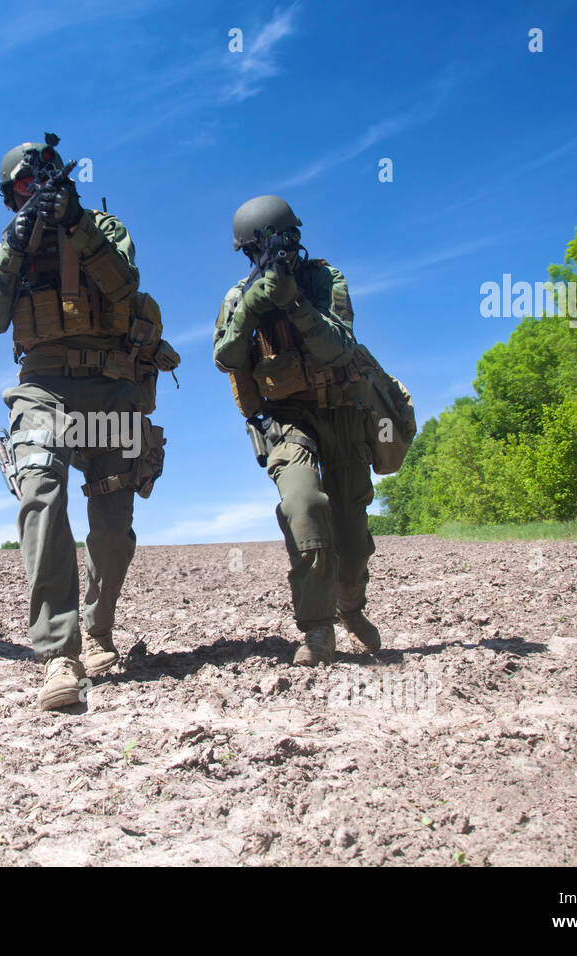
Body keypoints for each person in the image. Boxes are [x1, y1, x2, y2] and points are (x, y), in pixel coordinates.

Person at [0, 138, 177, 710]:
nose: (34, 189)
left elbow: (123, 285)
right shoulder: (6, 245)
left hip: (112, 386)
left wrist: (76, 224)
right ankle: (59, 654)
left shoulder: (105, 227)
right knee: (40, 491)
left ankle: (99, 626)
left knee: (113, 528)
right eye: (22, 185)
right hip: (43, 386)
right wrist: (17, 244)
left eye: (42, 178)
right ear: (10, 197)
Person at [213, 196, 381, 667]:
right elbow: (226, 358)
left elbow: (338, 350)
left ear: (296, 239)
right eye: (260, 249)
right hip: (287, 423)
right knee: (304, 508)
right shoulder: (236, 297)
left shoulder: (325, 280)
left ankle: (350, 605)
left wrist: (295, 303)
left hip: (342, 415)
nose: (273, 255)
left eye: (282, 243)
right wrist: (250, 309)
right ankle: (318, 629)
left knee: (352, 541)